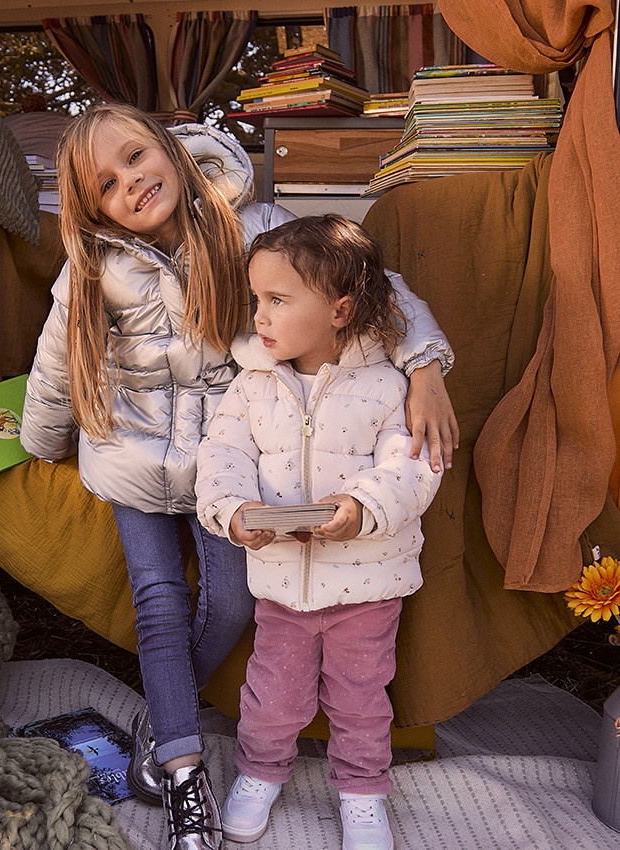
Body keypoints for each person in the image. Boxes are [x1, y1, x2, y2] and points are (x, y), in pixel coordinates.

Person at [19, 104, 454, 850]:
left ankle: (164, 720)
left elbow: (374, 285)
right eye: (106, 183)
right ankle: (185, 770)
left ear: (168, 147)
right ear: (90, 205)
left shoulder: (249, 224)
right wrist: (39, 443)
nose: (130, 183)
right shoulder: (91, 264)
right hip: (128, 457)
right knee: (158, 601)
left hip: (221, 453)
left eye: (134, 158)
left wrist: (425, 366)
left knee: (231, 602)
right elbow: (56, 363)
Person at [195, 214, 443, 850]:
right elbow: (221, 456)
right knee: (272, 695)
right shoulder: (252, 385)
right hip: (281, 584)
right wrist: (231, 510)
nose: (261, 316)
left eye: (278, 301)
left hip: (368, 586)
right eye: (258, 300)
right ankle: (258, 773)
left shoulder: (388, 386)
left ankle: (362, 793)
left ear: (340, 310)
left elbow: (413, 466)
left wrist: (362, 506)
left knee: (361, 700)